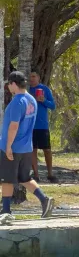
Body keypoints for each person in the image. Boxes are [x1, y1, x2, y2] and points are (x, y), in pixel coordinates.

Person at [0, 72, 54, 224]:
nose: (9, 87)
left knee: (7, 179)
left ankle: (6, 211)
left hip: (13, 147)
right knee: (24, 178)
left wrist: (8, 146)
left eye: (9, 84)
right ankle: (44, 200)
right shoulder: (31, 100)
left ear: (14, 84)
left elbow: (14, 126)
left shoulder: (17, 101)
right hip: (26, 147)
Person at [28, 72, 57, 183]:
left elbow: (53, 106)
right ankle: (36, 175)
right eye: (30, 76)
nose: (32, 78)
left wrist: (43, 100)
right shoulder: (26, 89)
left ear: (39, 77)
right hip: (30, 125)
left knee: (47, 149)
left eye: (34, 76)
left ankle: (50, 174)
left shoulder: (44, 89)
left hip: (42, 125)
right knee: (32, 150)